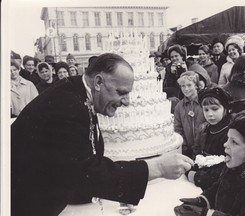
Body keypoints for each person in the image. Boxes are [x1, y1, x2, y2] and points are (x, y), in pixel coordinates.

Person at [11, 53, 194, 216]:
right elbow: (83, 172)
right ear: (98, 82)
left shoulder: (80, 95)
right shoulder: (66, 106)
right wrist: (157, 168)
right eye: (121, 93)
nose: (127, 102)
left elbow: (77, 163)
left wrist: (118, 189)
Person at [175, 110, 245, 216]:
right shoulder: (232, 168)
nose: (225, 144)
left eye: (234, 142)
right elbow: (219, 188)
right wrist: (202, 200)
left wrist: (207, 214)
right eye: (228, 138)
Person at [188, 87, 232, 190]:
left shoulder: (230, 132)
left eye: (215, 109)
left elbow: (229, 166)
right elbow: (197, 151)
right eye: (206, 110)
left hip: (221, 185)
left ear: (225, 108)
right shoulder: (204, 129)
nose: (210, 114)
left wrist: (198, 177)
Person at [174, 71, 206, 158]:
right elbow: (177, 128)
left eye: (189, 85)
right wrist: (184, 147)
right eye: (183, 86)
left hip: (205, 148)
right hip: (188, 151)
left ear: (196, 85)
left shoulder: (204, 102)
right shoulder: (179, 106)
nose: (186, 89)